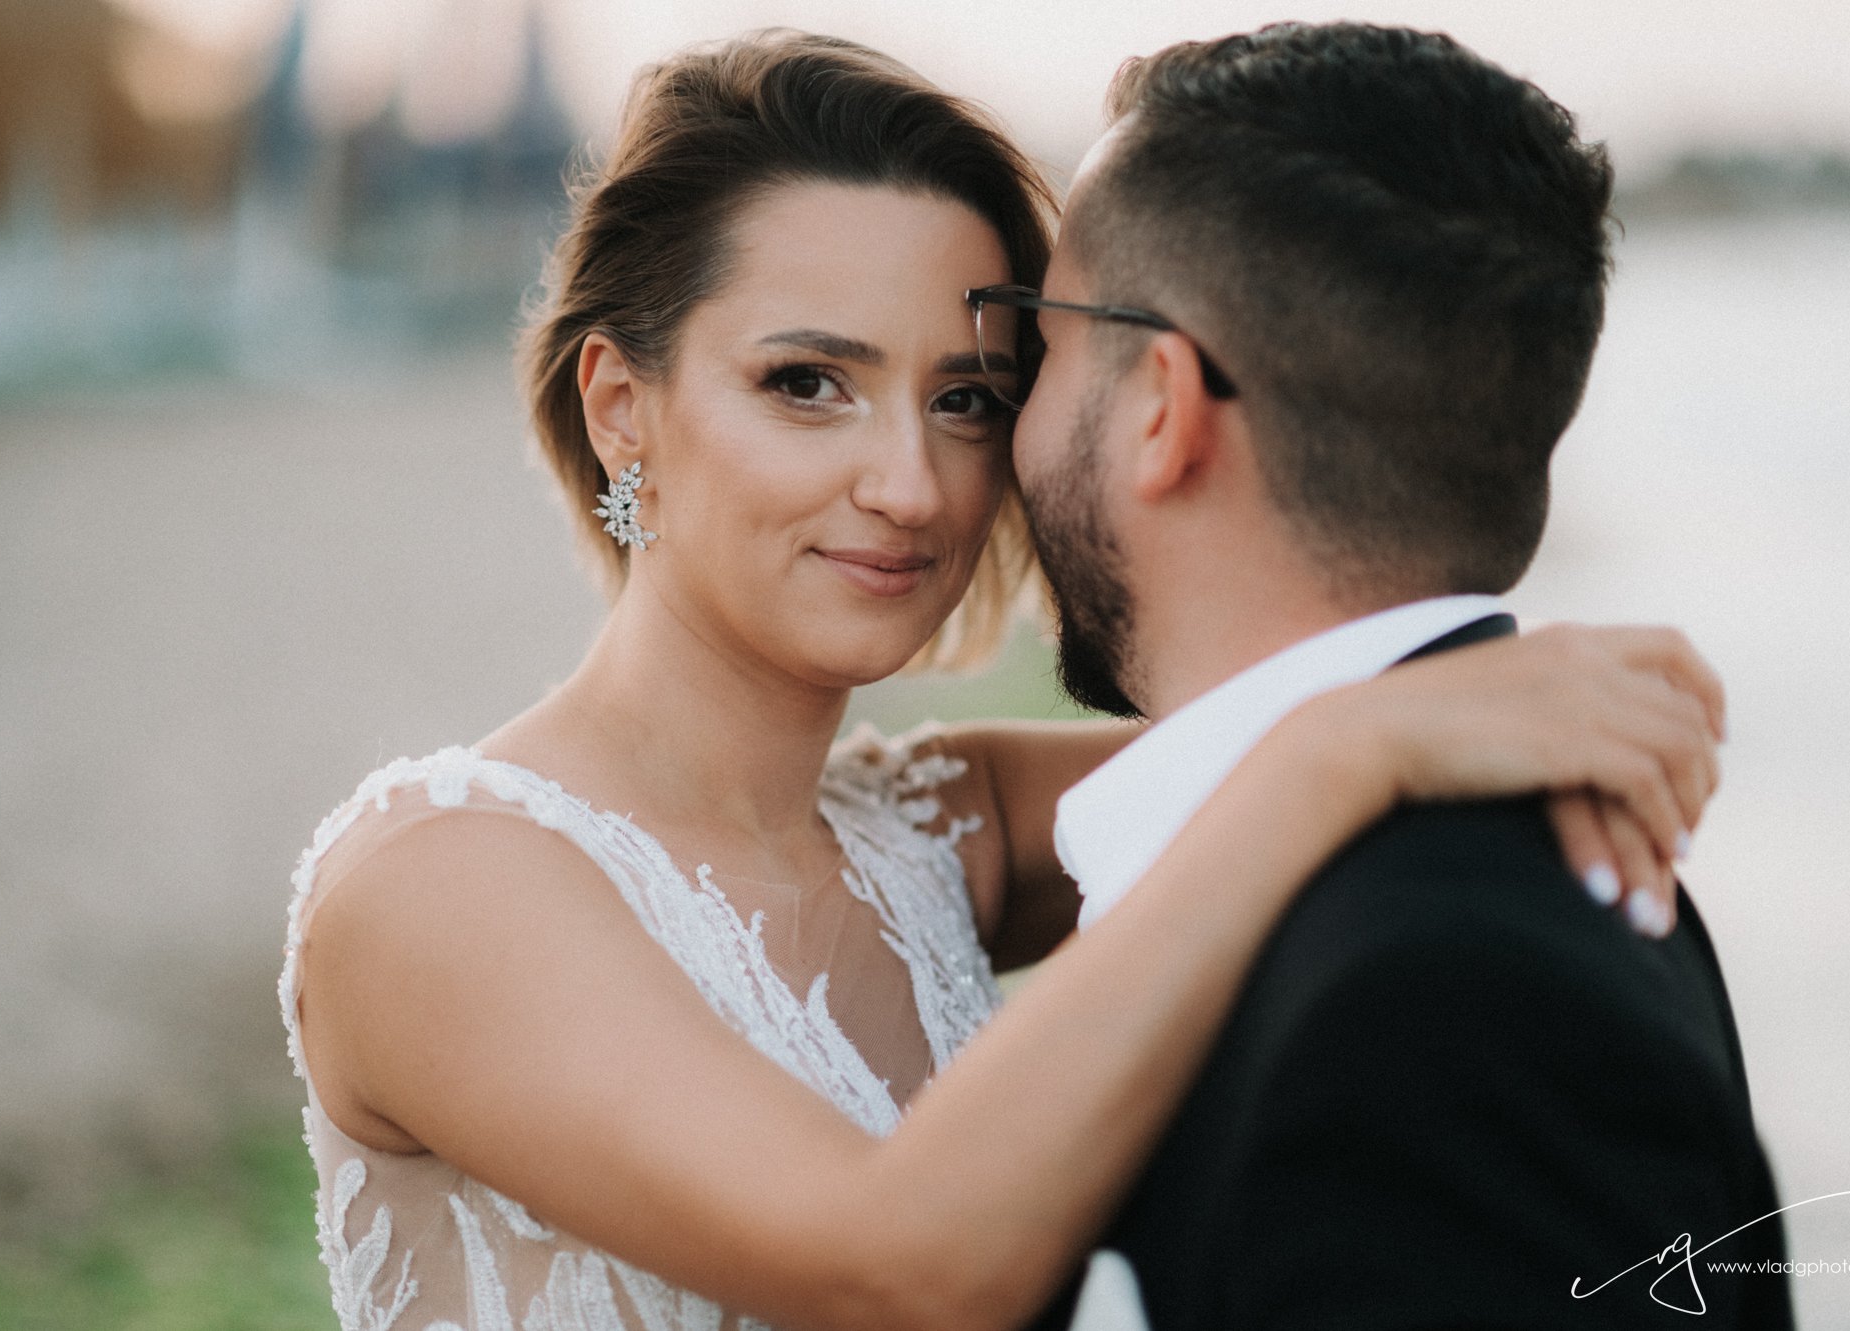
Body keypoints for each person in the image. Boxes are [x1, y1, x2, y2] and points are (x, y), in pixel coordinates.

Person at [279, 30, 1726, 1331]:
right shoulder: (440, 885)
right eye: (805, 383)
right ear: (621, 409)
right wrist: (1359, 748)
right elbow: (892, 1269)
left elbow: (1244, 732)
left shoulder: (938, 826)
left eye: (969, 398)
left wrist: (1480, 695)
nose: (911, 486)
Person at [987, 23, 1791, 1331]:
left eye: (1038, 342)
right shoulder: (1478, 879)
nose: (1007, 425)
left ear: (1161, 409)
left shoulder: (1443, 1001)